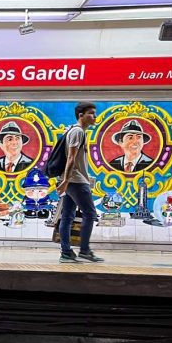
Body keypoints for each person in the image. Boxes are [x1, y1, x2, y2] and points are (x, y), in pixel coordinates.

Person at [56, 102, 104, 263]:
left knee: (68, 216)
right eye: (91, 113)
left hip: (72, 180)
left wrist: (65, 181)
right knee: (90, 214)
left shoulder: (73, 130)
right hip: (76, 180)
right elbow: (71, 157)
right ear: (81, 115)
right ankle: (84, 250)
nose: (94, 116)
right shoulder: (77, 132)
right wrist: (66, 180)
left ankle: (66, 252)